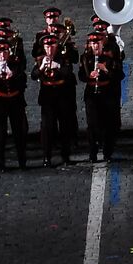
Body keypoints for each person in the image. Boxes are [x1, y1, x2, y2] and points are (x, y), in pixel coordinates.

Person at [32, 32, 77, 167]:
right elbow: (34, 75)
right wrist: (41, 67)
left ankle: (66, 155)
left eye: (52, 46)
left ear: (56, 46)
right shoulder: (41, 59)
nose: (50, 49)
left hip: (62, 95)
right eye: (47, 46)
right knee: (47, 128)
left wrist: (58, 66)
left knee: (65, 127)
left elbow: (69, 73)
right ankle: (47, 156)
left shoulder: (63, 59)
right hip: (47, 97)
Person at [0, 38, 29, 170]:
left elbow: (23, 80)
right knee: (0, 134)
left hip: (16, 101)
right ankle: (1, 163)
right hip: (0, 102)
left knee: (19, 133)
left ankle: (22, 162)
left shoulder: (15, 63)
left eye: (4, 50)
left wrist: (13, 75)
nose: (2, 54)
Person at [80, 32, 122, 162]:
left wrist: (106, 70)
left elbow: (120, 75)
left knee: (108, 124)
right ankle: (92, 152)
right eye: (93, 44)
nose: (95, 46)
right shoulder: (86, 58)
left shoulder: (109, 58)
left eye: (98, 43)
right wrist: (89, 76)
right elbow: (81, 75)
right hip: (91, 94)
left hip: (107, 93)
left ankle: (107, 152)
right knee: (92, 124)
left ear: (102, 44)